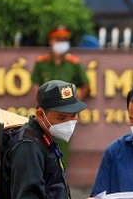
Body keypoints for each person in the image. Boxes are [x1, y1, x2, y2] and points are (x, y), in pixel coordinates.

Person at [31, 26, 89, 165]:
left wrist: (73, 105)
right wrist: (40, 107)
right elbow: (35, 86)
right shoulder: (41, 63)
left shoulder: (73, 63)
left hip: (64, 114)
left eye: (64, 39)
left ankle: (60, 180)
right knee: (41, 145)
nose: (61, 42)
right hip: (47, 112)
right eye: (58, 39)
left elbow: (85, 85)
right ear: (51, 41)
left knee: (61, 150)